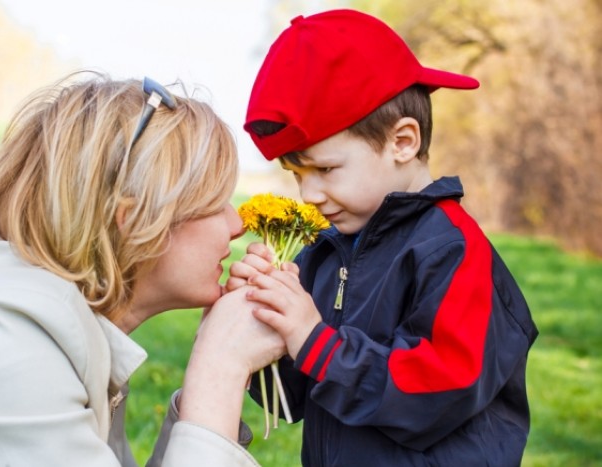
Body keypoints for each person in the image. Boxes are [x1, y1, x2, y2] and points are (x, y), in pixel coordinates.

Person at [0, 71, 282, 466]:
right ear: (135, 222)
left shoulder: (59, 328)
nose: (238, 225)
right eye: (216, 202)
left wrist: (203, 386)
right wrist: (219, 371)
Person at [228, 9, 539, 466]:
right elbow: (293, 399)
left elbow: (440, 393)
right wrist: (264, 323)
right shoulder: (325, 250)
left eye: (325, 169)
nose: (309, 194)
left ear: (403, 142)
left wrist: (312, 339)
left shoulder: (451, 249)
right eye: (296, 174)